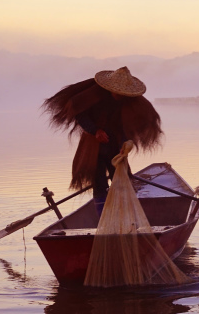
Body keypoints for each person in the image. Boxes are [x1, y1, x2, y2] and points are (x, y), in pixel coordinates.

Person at [43, 67, 163, 218]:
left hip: (115, 145)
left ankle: (126, 217)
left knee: (122, 181)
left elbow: (129, 125)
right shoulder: (93, 96)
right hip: (94, 145)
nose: (119, 95)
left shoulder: (129, 101)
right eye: (117, 92)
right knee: (99, 183)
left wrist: (125, 143)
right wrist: (95, 130)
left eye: (122, 93)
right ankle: (103, 219)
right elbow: (80, 114)